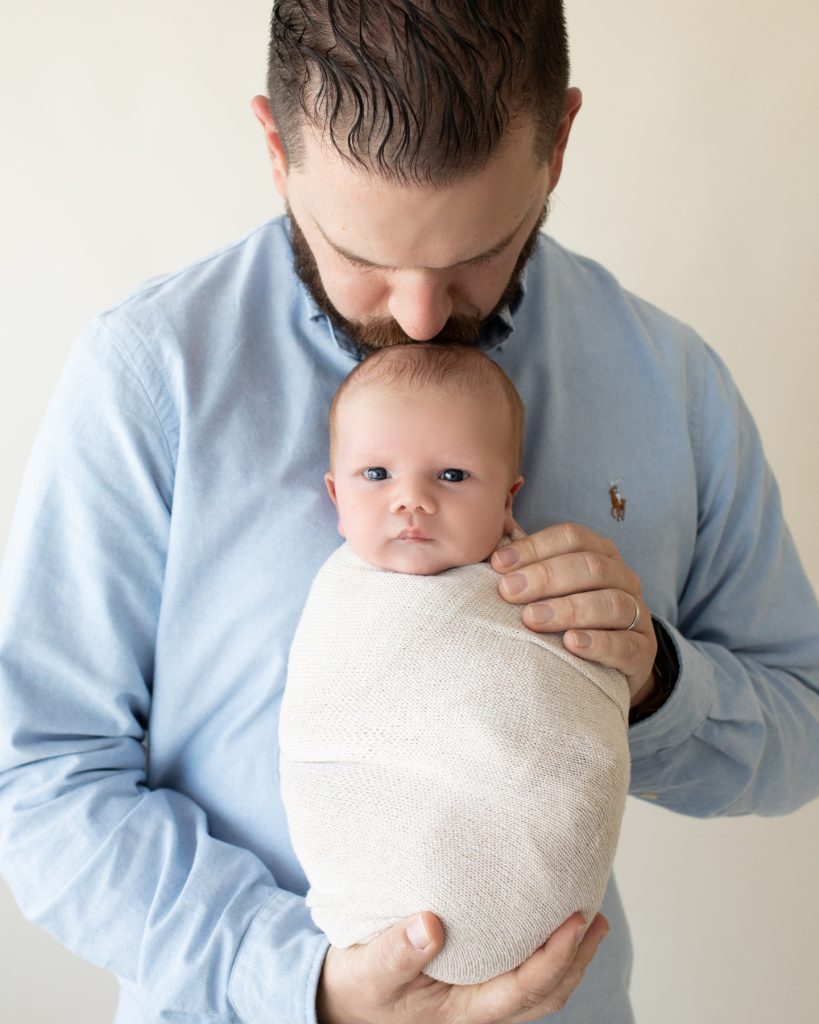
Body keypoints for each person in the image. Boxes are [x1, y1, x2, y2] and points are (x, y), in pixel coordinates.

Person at [0, 2, 817, 1023]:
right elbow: (37, 782)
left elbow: (804, 720)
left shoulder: (671, 384)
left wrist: (651, 681)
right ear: (274, 148)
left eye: (479, 252)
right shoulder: (150, 377)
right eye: (364, 254)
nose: (422, 316)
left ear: (558, 145)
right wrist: (299, 983)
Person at [279, 342, 631, 985]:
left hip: (540, 917)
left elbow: (574, 745)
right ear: (334, 495)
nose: (411, 501)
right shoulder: (342, 602)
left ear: (508, 499)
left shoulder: (537, 591)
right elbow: (323, 740)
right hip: (354, 947)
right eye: (377, 475)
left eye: (452, 476)